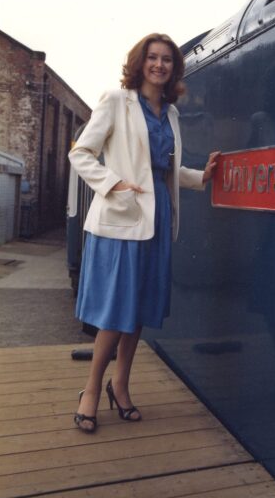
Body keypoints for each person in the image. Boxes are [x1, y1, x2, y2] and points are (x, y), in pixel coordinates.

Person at [68, 33, 220, 433]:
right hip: (122, 219)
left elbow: (163, 171)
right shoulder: (117, 101)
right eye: (152, 58)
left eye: (167, 59)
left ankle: (120, 385)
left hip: (156, 221)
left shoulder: (169, 113)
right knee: (116, 313)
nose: (159, 65)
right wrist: (113, 183)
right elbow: (80, 153)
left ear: (174, 68)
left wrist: (200, 176)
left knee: (137, 313)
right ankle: (90, 390)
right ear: (140, 62)